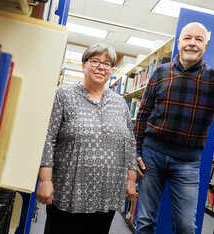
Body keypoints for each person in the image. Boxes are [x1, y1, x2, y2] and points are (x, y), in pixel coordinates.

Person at [134, 22, 214, 234]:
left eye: (198, 39)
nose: (192, 44)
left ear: (206, 45)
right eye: (187, 38)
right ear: (179, 43)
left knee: (186, 226)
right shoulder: (160, 72)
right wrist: (136, 151)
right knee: (145, 221)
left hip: (187, 162)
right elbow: (143, 113)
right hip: (151, 156)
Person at [36, 42, 138, 234]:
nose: (101, 67)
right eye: (95, 61)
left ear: (111, 70)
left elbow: (130, 143)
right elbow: (48, 138)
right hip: (69, 190)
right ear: (83, 65)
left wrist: (131, 181)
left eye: (107, 64)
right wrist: (44, 180)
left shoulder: (120, 103)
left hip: (107, 193)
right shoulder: (63, 95)